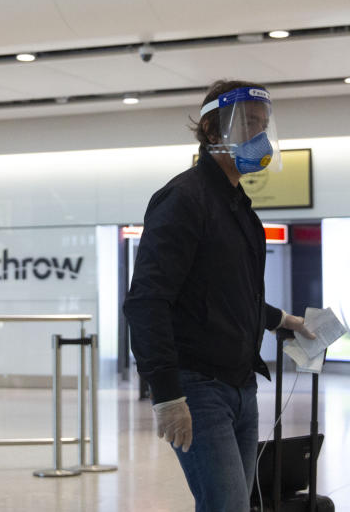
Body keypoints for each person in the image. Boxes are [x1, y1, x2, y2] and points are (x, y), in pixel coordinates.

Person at [124, 80, 316, 512]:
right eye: (249, 123)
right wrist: (167, 393)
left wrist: (285, 321)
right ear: (212, 132)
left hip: (240, 384)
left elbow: (228, 293)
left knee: (235, 505)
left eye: (264, 126)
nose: (260, 136)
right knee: (226, 505)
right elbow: (147, 300)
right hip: (197, 387)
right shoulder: (184, 199)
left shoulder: (239, 207)